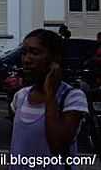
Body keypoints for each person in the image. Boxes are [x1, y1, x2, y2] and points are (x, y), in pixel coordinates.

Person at [9, 29, 88, 170]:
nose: (26, 60)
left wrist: (50, 93)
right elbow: (18, 147)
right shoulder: (20, 96)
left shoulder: (72, 97)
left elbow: (57, 145)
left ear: (54, 59)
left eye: (34, 53)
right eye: (24, 53)